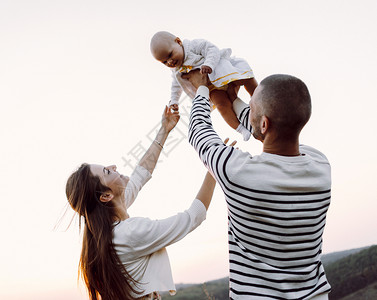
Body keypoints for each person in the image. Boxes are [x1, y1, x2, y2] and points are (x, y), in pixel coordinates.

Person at [182, 70, 331, 299]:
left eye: (251, 108)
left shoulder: (236, 173)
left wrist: (202, 89)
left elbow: (198, 131)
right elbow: (268, 129)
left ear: (263, 123)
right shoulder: (321, 167)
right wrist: (235, 100)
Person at [65, 106, 231, 300]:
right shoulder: (129, 232)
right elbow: (193, 217)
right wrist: (214, 167)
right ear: (106, 196)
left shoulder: (111, 228)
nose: (113, 166)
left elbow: (141, 173)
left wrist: (165, 130)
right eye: (107, 172)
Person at [150, 30, 258, 141]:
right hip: (212, 87)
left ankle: (258, 97)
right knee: (222, 105)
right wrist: (174, 101)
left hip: (221, 72)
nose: (170, 62)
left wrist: (208, 64)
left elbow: (212, 49)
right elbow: (175, 86)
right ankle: (241, 129)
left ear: (178, 42)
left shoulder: (193, 46)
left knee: (245, 78)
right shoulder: (176, 71)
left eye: (170, 55)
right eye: (164, 62)